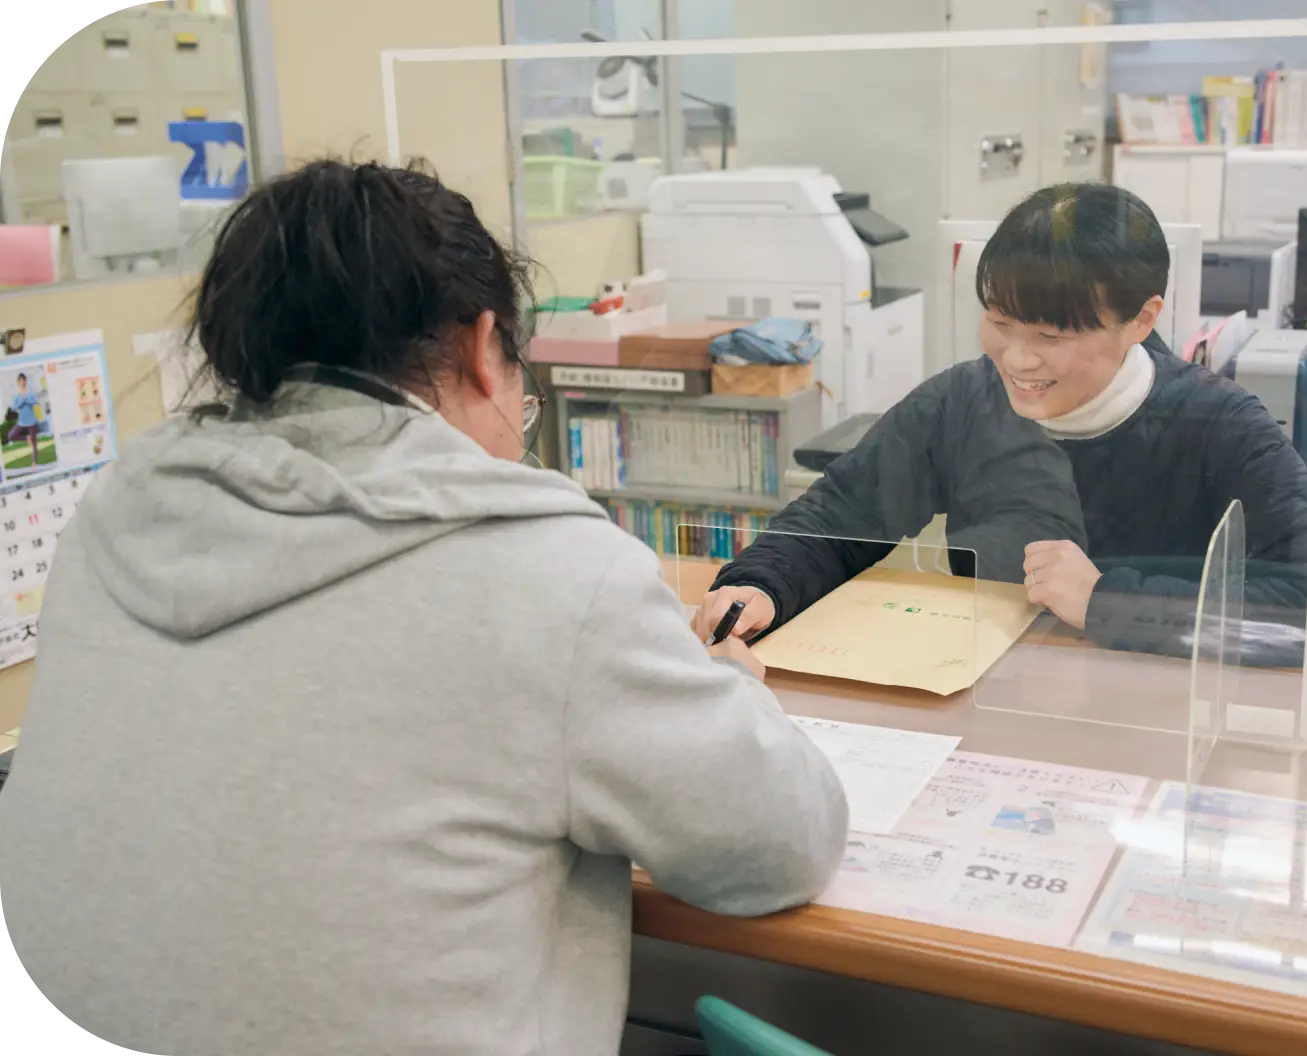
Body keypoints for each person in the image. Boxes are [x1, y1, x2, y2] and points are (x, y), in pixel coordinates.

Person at [0, 160, 848, 1055]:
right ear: (483, 347)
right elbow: (780, 848)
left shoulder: (113, 517)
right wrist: (735, 683)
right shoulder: (547, 571)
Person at [695, 183, 1307, 666]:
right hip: (986, 702)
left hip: (1153, 723)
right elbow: (839, 516)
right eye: (1000, 323)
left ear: (1141, 319)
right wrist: (761, 583)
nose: (1017, 360)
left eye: (1050, 335)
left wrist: (1107, 601)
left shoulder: (1218, 424)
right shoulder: (964, 401)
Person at [8, 372, 42, 462]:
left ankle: (34, 463)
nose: (22, 382)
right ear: (18, 382)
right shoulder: (16, 396)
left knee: (34, 444)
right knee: (11, 436)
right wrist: (21, 402)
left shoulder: (30, 394)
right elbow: (13, 408)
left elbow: (36, 402)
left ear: (25, 381)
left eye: (23, 380)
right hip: (22, 421)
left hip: (31, 421)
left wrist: (27, 400)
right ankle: (26, 438)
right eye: (20, 380)